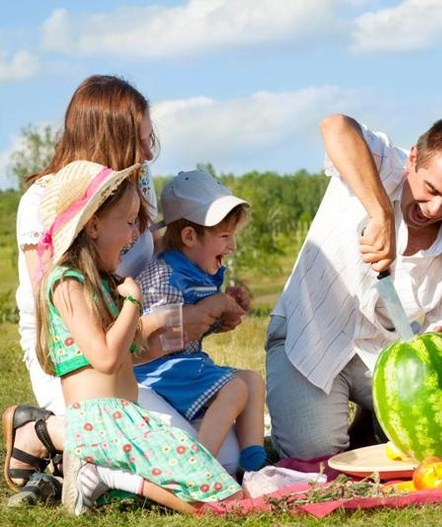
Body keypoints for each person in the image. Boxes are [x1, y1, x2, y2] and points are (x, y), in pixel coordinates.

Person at [3, 74, 239, 505]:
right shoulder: (44, 200)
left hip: (134, 349)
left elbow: (150, 258)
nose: (150, 152)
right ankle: (46, 432)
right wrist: (145, 322)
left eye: (152, 138)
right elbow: (61, 310)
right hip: (76, 362)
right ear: (107, 139)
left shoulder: (135, 185)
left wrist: (203, 300)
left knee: (225, 456)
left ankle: (68, 462)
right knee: (188, 462)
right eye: (140, 140)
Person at [265, 114, 442, 459]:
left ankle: (371, 416)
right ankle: (367, 419)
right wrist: (381, 213)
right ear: (413, 158)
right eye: (430, 189)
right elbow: (335, 126)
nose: (435, 209)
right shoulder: (384, 161)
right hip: (306, 337)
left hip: (383, 357)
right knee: (315, 452)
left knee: (438, 439)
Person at [36, 160, 243, 515]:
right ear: (95, 225)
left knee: (222, 487)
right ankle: (102, 472)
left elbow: (129, 354)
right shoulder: (67, 283)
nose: (136, 235)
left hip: (125, 418)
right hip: (102, 423)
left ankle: (105, 478)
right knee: (220, 503)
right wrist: (133, 302)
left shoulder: (102, 284)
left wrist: (183, 328)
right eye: (130, 223)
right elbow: (104, 358)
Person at [134, 169, 267, 473]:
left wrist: (223, 316)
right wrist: (209, 308)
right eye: (224, 236)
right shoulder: (165, 274)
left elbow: (195, 326)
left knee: (251, 381)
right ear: (190, 236)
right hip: (160, 371)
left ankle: (255, 465)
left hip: (184, 366)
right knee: (235, 388)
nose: (231, 246)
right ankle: (198, 469)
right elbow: (153, 337)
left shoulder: (198, 269)